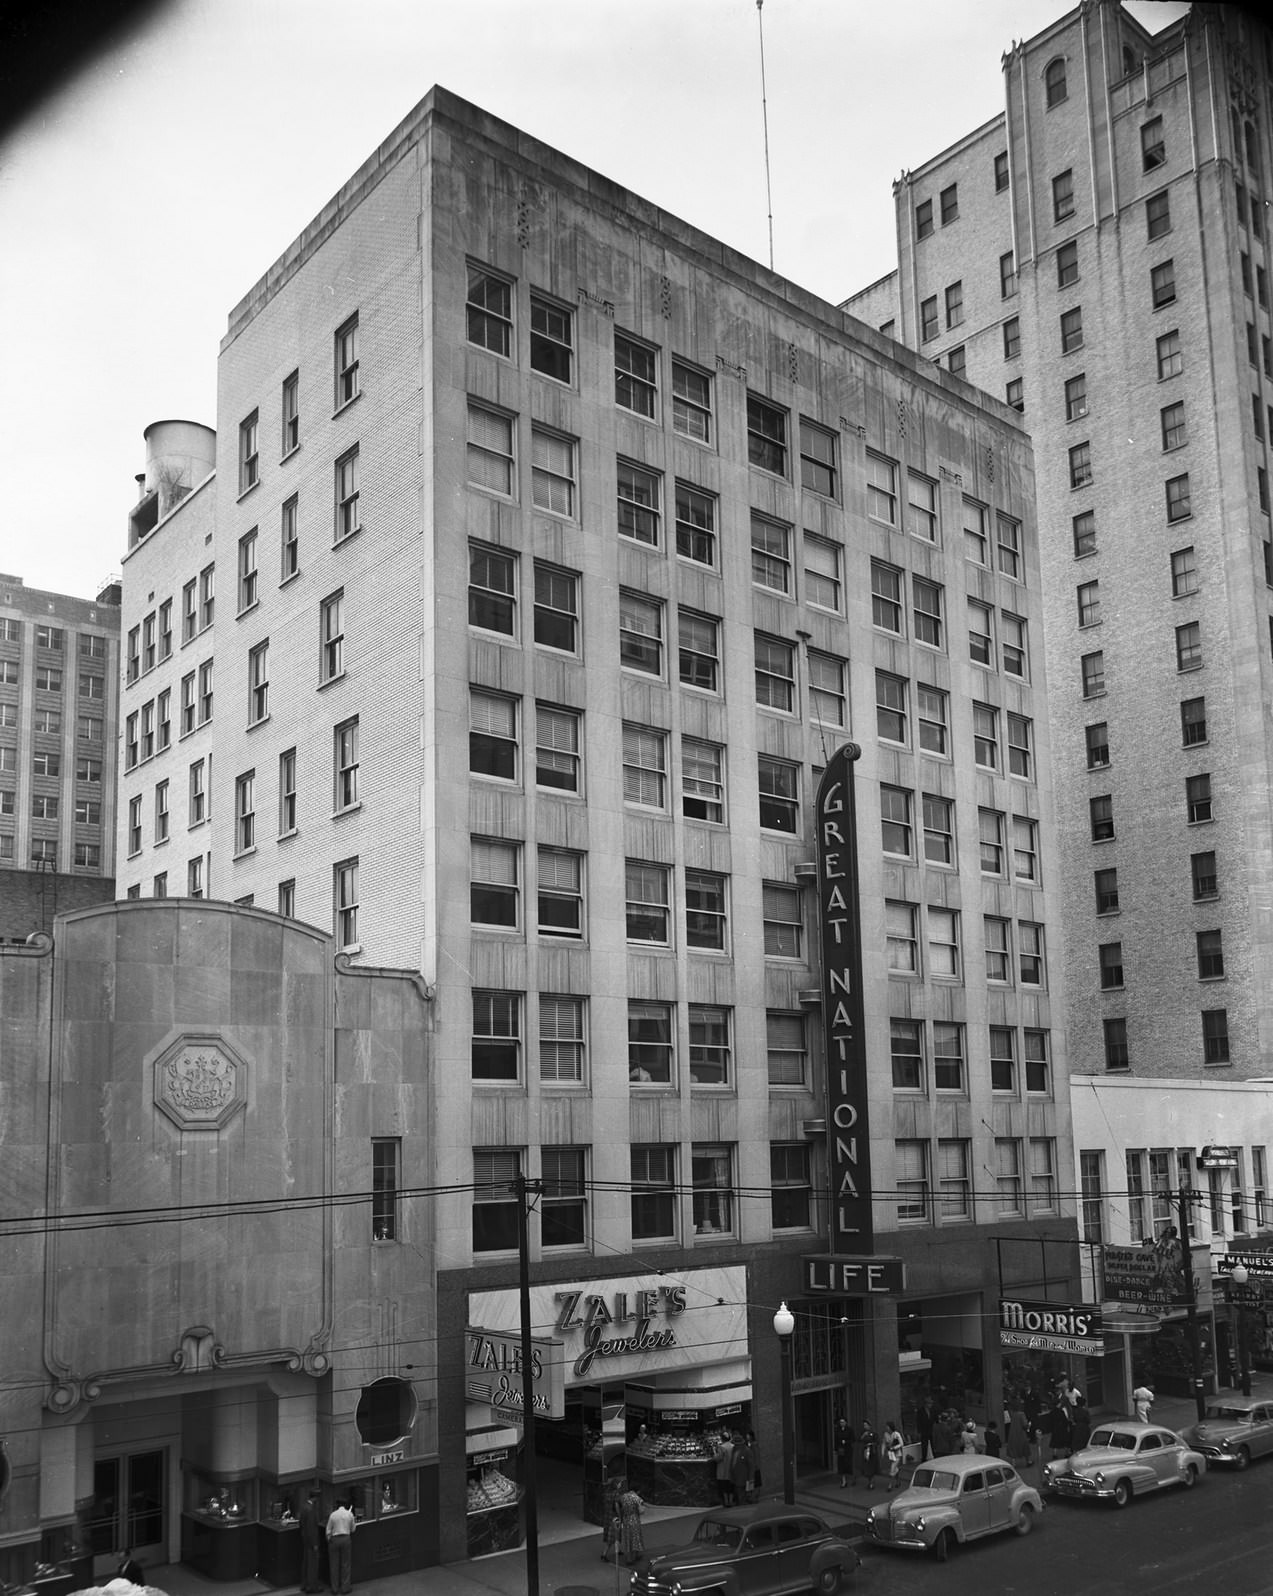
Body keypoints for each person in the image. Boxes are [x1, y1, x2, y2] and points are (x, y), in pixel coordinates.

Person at [325, 1498, 355, 1594]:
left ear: (337, 1505)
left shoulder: (333, 1515)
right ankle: (345, 1588)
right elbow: (353, 1529)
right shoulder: (349, 1514)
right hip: (346, 1538)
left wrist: (329, 1539)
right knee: (345, 1564)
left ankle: (335, 1588)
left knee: (334, 1564)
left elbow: (328, 1530)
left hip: (335, 1539)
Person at [617, 1480, 645, 1566]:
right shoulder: (636, 1498)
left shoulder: (623, 1496)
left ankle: (628, 1558)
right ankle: (635, 1556)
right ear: (638, 1490)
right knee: (635, 1538)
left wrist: (620, 1515)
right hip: (634, 1519)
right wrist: (643, 1508)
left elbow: (617, 1504)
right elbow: (641, 1511)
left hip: (626, 1519)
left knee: (628, 1538)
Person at [299, 1493, 322, 1592]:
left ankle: (304, 1584)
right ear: (315, 1498)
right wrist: (315, 1543)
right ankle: (312, 1587)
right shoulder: (311, 1510)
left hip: (305, 1540)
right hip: (311, 1541)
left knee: (306, 1563)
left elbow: (302, 1524)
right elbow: (312, 1528)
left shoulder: (304, 1507)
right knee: (313, 1564)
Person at [601, 1475, 623, 1562]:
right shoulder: (616, 1494)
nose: (621, 1485)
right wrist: (620, 1516)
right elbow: (616, 1506)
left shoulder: (607, 1493)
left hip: (607, 1516)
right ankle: (604, 1554)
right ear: (616, 1485)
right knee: (614, 1535)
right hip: (614, 1517)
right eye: (620, 1483)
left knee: (613, 1535)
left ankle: (618, 1550)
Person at [729, 1432, 753, 1506]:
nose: (736, 1445)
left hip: (744, 1477)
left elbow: (751, 1466)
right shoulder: (734, 1450)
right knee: (739, 1494)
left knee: (742, 1495)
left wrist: (751, 1479)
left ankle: (742, 1506)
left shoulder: (747, 1451)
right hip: (735, 1477)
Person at [1006, 1405, 1032, 1470]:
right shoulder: (1021, 1414)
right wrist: (1029, 1425)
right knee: (1025, 1446)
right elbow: (1024, 1424)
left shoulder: (1012, 1413)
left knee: (1013, 1447)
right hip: (1020, 1433)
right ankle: (1028, 1461)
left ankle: (1013, 1463)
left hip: (1013, 1432)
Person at [854, 1421, 878, 1490]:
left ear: (869, 1425)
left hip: (872, 1452)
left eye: (866, 1425)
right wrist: (863, 1435)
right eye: (864, 1425)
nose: (865, 1427)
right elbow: (859, 1440)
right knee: (867, 1466)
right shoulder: (863, 1433)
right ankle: (869, 1481)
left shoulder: (873, 1433)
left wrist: (871, 1444)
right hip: (865, 1451)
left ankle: (872, 1482)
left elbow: (877, 1441)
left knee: (872, 1466)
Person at [713, 1432, 735, 1504]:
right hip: (731, 1469)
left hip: (723, 1470)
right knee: (731, 1486)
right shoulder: (733, 1446)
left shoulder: (721, 1447)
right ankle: (731, 1501)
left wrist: (714, 1452)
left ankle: (726, 1501)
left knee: (724, 1486)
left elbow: (718, 1458)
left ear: (722, 1438)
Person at [882, 1421, 905, 1490]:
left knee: (892, 1468)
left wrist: (894, 1447)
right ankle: (898, 1481)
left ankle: (890, 1485)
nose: (887, 1428)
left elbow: (901, 1443)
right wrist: (882, 1451)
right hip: (891, 1454)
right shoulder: (885, 1434)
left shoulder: (896, 1434)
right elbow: (884, 1443)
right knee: (895, 1468)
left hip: (897, 1454)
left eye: (888, 1426)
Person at [834, 1417, 855, 1488]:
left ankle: (852, 1478)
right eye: (840, 1422)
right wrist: (836, 1449)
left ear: (846, 1422)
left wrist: (846, 1441)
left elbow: (853, 1439)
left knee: (848, 1464)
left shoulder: (850, 1430)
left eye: (843, 1422)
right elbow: (836, 1440)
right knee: (841, 1465)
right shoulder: (837, 1430)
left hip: (848, 1449)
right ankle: (844, 1481)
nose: (842, 1423)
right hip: (841, 1449)